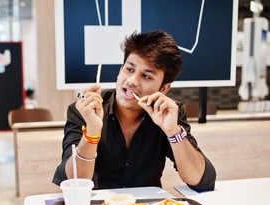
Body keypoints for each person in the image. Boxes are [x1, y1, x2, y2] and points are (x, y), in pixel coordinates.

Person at [52, 30, 216, 192]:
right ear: (120, 70)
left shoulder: (169, 114)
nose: (131, 81)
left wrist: (173, 132)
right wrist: (92, 132)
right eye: (129, 69)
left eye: (146, 76)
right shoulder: (85, 111)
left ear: (163, 88)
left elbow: (201, 181)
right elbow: (72, 183)